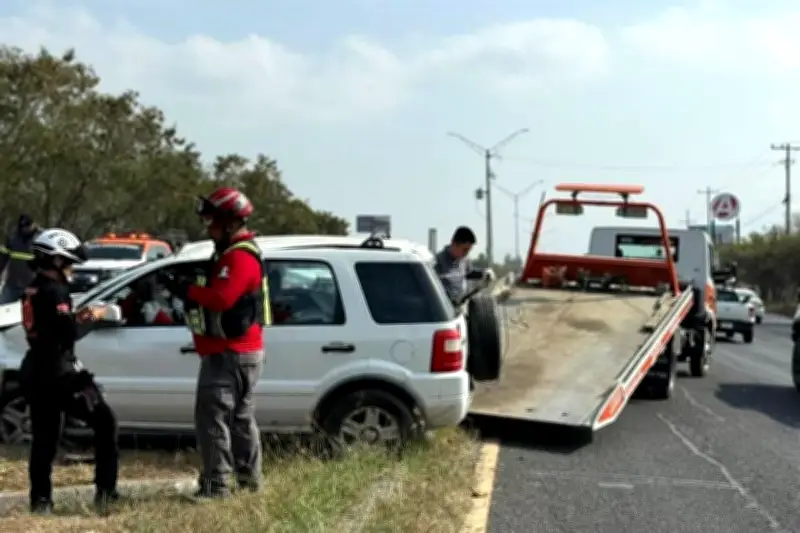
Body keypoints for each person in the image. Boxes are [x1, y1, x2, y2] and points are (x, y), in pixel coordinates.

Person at [159, 187, 270, 499]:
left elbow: (222, 298)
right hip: (241, 351)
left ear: (231, 223)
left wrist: (187, 290)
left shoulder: (238, 257)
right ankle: (249, 485)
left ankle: (217, 486)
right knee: (240, 420)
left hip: (229, 354)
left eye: (212, 223)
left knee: (214, 419)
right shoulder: (234, 254)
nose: (208, 230)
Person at [19, 228, 120, 514]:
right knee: (105, 421)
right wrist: (94, 317)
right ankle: (106, 493)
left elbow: (53, 325)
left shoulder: (33, 287)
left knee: (45, 438)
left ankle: (41, 502)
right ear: (57, 260)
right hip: (58, 373)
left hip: (35, 369)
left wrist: (76, 318)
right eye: (69, 262)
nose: (72, 269)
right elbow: (68, 334)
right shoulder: (56, 291)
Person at [434, 226, 495, 304]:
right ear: (454, 243)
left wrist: (484, 273)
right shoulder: (437, 261)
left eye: (469, 250)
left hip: (461, 303)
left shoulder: (465, 260)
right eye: (465, 250)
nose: (466, 253)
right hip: (443, 306)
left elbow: (468, 273)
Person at [0, 214, 41, 304]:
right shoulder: (12, 238)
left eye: (27, 226)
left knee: (31, 313)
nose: (25, 229)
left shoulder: (41, 238)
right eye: (22, 226)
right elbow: (3, 258)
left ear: (33, 224)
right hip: (12, 284)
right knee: (3, 308)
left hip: (32, 286)